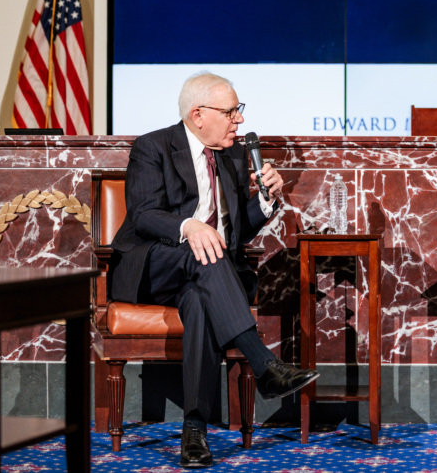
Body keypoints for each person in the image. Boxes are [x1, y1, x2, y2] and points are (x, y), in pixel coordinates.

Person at [110, 72, 318, 468]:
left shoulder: (235, 156)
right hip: (155, 266)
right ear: (198, 114)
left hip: (207, 274)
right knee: (200, 250)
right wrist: (189, 226)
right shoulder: (153, 147)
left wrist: (268, 201)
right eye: (231, 112)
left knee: (200, 298)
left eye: (240, 111)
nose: (239, 120)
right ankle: (263, 364)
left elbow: (238, 231)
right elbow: (143, 215)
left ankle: (194, 430)